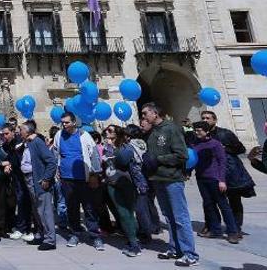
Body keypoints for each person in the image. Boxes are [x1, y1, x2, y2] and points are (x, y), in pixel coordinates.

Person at [143, 103, 199, 266]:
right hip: (158, 178)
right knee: (168, 216)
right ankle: (175, 247)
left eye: (145, 113)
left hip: (172, 179)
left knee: (180, 217)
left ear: (155, 113)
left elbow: (181, 155)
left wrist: (158, 160)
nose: (143, 117)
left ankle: (190, 253)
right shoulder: (153, 132)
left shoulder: (171, 129)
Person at [53, 112, 104, 251]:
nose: (64, 124)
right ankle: (75, 233)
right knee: (72, 208)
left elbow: (94, 155)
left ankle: (95, 236)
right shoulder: (59, 135)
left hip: (84, 178)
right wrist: (56, 169)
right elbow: (56, 153)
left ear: (74, 122)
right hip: (66, 178)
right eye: (62, 122)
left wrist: (94, 174)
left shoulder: (84, 136)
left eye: (67, 122)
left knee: (89, 208)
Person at [199, 111, 254, 237]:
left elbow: (241, 149)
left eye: (208, 118)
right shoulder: (200, 135)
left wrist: (224, 148)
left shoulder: (225, 133)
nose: (205, 120)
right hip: (211, 173)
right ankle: (212, 226)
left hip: (230, 171)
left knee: (234, 200)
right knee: (209, 201)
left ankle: (236, 227)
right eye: (203, 118)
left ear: (215, 120)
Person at [191, 121, 240, 244]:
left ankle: (232, 232)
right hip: (201, 178)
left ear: (207, 131)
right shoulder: (195, 144)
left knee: (223, 205)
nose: (197, 132)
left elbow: (222, 162)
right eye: (195, 130)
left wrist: (222, 180)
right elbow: (192, 159)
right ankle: (215, 229)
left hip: (214, 178)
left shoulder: (215, 144)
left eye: (199, 130)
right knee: (208, 204)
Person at [102, 125, 143, 257]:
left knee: (127, 213)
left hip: (125, 183)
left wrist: (113, 148)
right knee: (122, 213)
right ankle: (133, 239)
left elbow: (123, 161)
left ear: (118, 134)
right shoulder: (105, 147)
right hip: (111, 183)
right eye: (106, 131)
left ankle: (134, 243)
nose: (107, 133)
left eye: (110, 131)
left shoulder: (124, 147)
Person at [19, 120, 57, 251]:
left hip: (39, 182)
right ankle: (41, 234)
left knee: (45, 211)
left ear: (28, 131)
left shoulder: (38, 143)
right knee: (37, 211)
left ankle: (50, 240)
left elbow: (51, 161)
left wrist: (46, 178)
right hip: (30, 181)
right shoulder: (28, 143)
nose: (19, 132)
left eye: (21, 130)